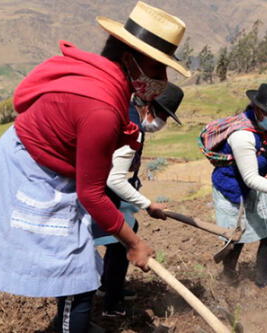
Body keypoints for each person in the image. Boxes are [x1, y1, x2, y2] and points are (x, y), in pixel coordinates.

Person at [0, 2, 190, 332]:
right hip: (30, 174)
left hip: (47, 167)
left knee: (77, 263)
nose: (162, 79)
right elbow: (92, 194)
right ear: (130, 59)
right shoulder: (101, 108)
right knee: (78, 279)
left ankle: (73, 324)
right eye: (157, 68)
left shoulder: (104, 80)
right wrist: (133, 243)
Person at [199, 83, 267, 288]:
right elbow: (249, 178)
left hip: (257, 184)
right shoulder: (242, 135)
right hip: (232, 188)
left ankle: (262, 282)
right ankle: (229, 278)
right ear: (258, 110)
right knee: (237, 238)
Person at [93, 83, 184, 317]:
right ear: (149, 106)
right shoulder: (133, 125)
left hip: (97, 184)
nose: (162, 122)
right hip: (99, 189)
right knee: (122, 238)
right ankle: (111, 304)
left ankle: (109, 287)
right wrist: (148, 204)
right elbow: (115, 179)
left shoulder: (125, 111)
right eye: (162, 115)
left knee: (126, 232)